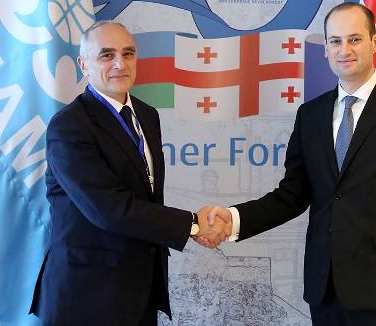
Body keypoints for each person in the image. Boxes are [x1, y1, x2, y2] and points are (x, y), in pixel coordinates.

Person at [205, 2, 376, 326]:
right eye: (335, 41)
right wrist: (235, 218)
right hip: (325, 291)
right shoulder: (310, 115)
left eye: (355, 39)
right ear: (325, 49)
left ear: (375, 42)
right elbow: (291, 196)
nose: (344, 50)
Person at [29, 21, 230, 326]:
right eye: (106, 55)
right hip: (86, 295)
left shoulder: (148, 116)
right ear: (84, 65)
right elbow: (108, 209)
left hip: (140, 289)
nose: (120, 64)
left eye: (128, 53)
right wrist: (193, 224)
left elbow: (145, 195)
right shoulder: (69, 126)